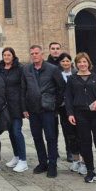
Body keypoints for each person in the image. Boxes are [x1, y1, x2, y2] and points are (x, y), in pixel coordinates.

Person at [65, 52, 96, 185]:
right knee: (85, 144)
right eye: (79, 62)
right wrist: (70, 114)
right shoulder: (72, 79)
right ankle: (90, 171)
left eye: (84, 62)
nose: (82, 64)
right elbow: (68, 97)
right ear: (76, 64)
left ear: (88, 63)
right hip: (80, 114)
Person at [22, 45, 65, 178]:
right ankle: (42, 162)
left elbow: (61, 88)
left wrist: (55, 105)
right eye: (32, 53)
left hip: (48, 109)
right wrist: (24, 108)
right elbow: (23, 89)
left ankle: (52, 164)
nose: (34, 55)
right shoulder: (26, 69)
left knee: (51, 137)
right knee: (37, 137)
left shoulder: (53, 69)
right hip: (33, 109)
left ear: (42, 54)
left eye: (36, 53)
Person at [0, 47, 28, 173]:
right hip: (5, 106)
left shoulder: (20, 68)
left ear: (13, 56)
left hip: (16, 105)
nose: (6, 57)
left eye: (9, 55)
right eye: (4, 55)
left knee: (16, 131)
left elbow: (23, 88)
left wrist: (24, 107)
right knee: (10, 132)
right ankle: (16, 156)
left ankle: (23, 160)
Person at [57, 53, 83, 174]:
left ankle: (83, 160)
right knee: (69, 134)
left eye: (67, 61)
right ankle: (74, 157)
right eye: (63, 61)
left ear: (71, 62)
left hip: (77, 107)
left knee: (80, 133)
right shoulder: (57, 74)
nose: (65, 63)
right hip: (63, 108)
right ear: (60, 63)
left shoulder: (76, 73)